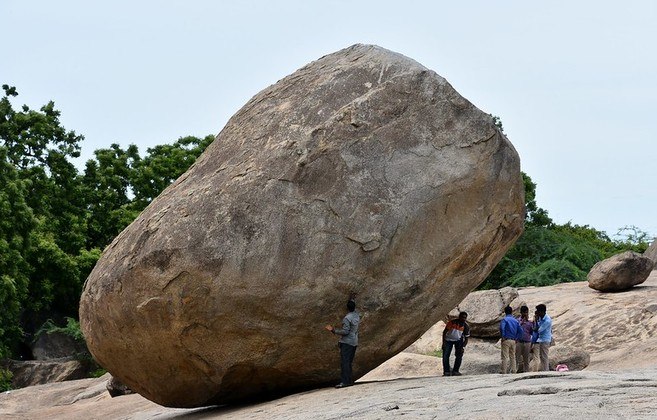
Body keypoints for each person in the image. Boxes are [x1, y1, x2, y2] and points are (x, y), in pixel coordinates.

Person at [325, 298, 360, 388]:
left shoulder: (347, 318)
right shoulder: (356, 315)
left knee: (345, 362)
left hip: (347, 342)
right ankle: (349, 381)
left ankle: (345, 382)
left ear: (347, 308)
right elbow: (353, 307)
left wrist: (333, 330)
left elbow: (345, 331)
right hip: (354, 341)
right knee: (349, 362)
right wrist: (352, 298)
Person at [442, 311, 470, 376]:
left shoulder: (465, 326)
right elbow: (444, 332)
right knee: (446, 355)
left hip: (458, 340)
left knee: (459, 355)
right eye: (462, 317)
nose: (463, 319)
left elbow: (466, 338)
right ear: (459, 317)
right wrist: (444, 343)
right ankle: (446, 371)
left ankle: (455, 371)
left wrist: (463, 347)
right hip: (448, 340)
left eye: (464, 318)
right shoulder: (452, 323)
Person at [499, 305, 521, 374]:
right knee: (513, 356)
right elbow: (520, 330)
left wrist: (503, 336)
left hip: (506, 339)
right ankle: (514, 371)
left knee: (505, 356)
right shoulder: (516, 320)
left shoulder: (504, 319)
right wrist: (517, 338)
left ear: (505, 312)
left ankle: (504, 371)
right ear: (512, 312)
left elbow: (502, 328)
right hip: (513, 340)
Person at [533, 303, 553, 371]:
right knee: (542, 357)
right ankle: (544, 370)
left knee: (544, 357)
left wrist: (536, 321)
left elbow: (539, 330)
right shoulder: (541, 318)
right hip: (541, 339)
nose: (537, 313)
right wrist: (537, 320)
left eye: (538, 312)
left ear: (542, 312)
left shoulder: (547, 320)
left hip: (545, 339)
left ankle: (546, 371)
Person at [515, 305, 533, 373]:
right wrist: (522, 322)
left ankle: (526, 372)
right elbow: (516, 329)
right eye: (524, 312)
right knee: (517, 358)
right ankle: (514, 371)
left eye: (527, 312)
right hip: (519, 342)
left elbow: (531, 332)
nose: (526, 314)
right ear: (521, 313)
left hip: (527, 342)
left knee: (526, 359)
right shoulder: (517, 321)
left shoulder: (529, 322)